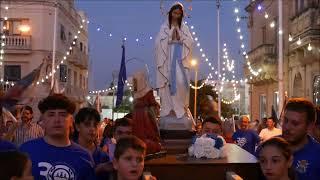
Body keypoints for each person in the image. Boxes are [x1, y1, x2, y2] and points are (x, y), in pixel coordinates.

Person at [20, 94, 96, 179]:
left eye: (63, 115)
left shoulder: (84, 157)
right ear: (42, 120)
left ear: (71, 121)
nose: (57, 120)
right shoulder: (26, 151)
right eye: (51, 115)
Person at [155, 2, 194, 128]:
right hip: (168, 56)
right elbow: (157, 43)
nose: (176, 16)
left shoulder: (185, 28)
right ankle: (169, 108)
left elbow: (190, 42)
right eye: (175, 13)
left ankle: (180, 108)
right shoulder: (164, 27)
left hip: (180, 57)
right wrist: (169, 36)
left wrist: (181, 36)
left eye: (179, 14)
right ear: (170, 13)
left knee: (181, 82)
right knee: (167, 83)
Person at [282, 98, 320, 179]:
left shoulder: (318, 155)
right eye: (285, 120)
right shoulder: (268, 147)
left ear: (309, 126)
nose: (287, 127)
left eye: (295, 123)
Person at [131, 70, 161, 154]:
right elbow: (153, 104)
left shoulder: (147, 90)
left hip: (143, 114)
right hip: (143, 114)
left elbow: (153, 104)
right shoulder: (144, 91)